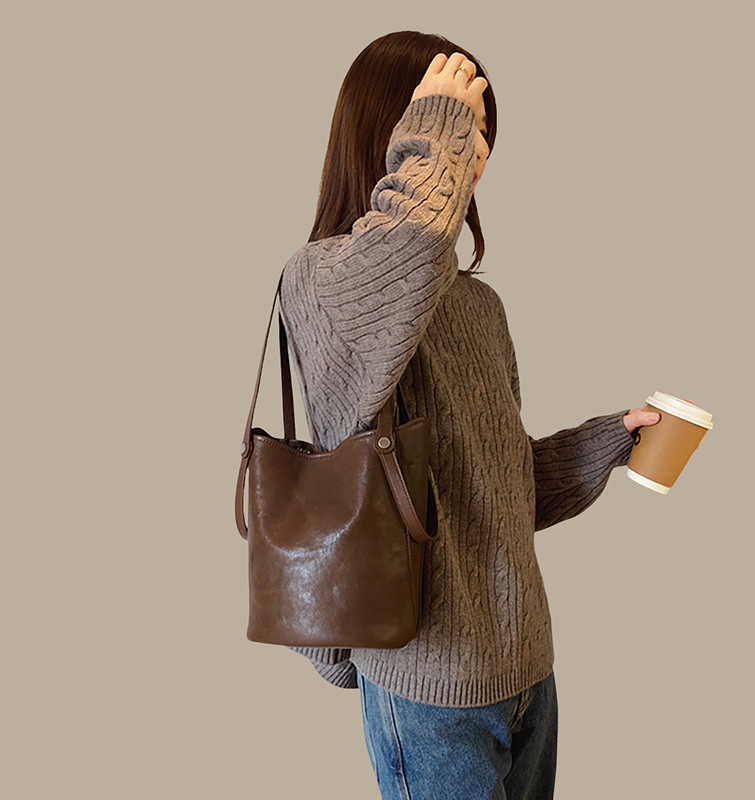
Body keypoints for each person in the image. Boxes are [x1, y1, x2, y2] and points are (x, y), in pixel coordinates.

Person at [276, 31, 660, 800]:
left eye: (478, 132)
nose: (473, 152)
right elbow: (402, 257)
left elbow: (499, 488)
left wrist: (608, 443)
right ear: (397, 133)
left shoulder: (479, 305)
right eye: (455, 122)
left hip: (527, 672)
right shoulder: (320, 280)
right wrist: (438, 136)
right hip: (427, 688)